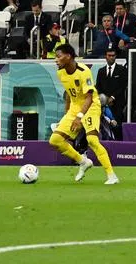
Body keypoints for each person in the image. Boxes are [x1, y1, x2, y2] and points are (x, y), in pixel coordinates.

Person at [47, 43, 119, 185]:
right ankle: (83, 161)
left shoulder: (83, 71)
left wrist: (79, 117)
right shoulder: (60, 72)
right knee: (55, 140)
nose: (56, 60)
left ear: (68, 56)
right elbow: (69, 92)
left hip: (91, 106)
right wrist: (67, 112)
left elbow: (89, 97)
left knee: (92, 140)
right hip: (75, 107)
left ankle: (112, 175)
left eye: (58, 56)